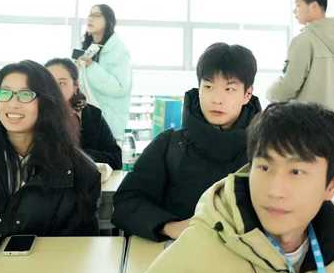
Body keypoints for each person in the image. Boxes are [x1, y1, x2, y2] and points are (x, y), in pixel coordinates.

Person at [115, 101, 334, 273]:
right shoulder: (201, 249)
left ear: (331, 185)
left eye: (296, 172)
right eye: (264, 167)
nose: (274, 190)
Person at [112, 43, 261, 241]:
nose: (217, 99)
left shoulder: (264, 150)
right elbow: (127, 202)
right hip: (177, 250)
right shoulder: (170, 144)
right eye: (208, 87)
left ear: (247, 94)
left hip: (245, 255)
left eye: (229, 89)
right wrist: (169, 227)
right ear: (199, 89)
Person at [0, 60, 100, 237]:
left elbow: (78, 242)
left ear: (46, 102)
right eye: (5, 93)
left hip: (51, 256)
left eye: (25, 95)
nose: (13, 104)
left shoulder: (81, 170)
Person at [267, 0, 334, 115]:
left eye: (298, 5)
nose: (294, 10)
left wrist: (270, 92)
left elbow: (288, 86)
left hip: (304, 122)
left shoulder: (304, 40)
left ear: (314, 6)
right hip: (332, 122)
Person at [46, 58, 121, 169]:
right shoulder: (34, 114)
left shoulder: (92, 114)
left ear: (75, 86)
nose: (54, 89)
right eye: (49, 83)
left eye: (61, 83)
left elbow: (116, 159)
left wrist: (76, 154)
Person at [78, 4, 132, 139]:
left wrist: (91, 66)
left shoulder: (119, 51)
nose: (91, 18)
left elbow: (120, 88)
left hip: (109, 123)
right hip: (87, 120)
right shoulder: (88, 48)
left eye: (96, 15)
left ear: (108, 21)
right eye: (90, 15)